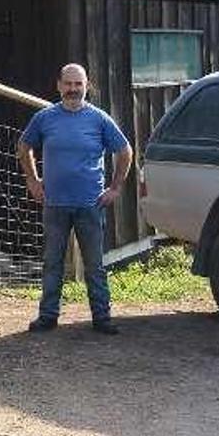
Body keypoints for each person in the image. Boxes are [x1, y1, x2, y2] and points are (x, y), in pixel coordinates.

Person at [17, 63, 132, 335]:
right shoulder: (45, 118)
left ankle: (102, 318)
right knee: (52, 263)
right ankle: (47, 317)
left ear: (86, 86)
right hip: (55, 204)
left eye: (78, 84)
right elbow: (24, 146)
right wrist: (32, 180)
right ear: (58, 85)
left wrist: (115, 187)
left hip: (90, 205)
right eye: (68, 84)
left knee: (95, 265)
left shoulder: (99, 119)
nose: (73, 89)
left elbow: (125, 151)